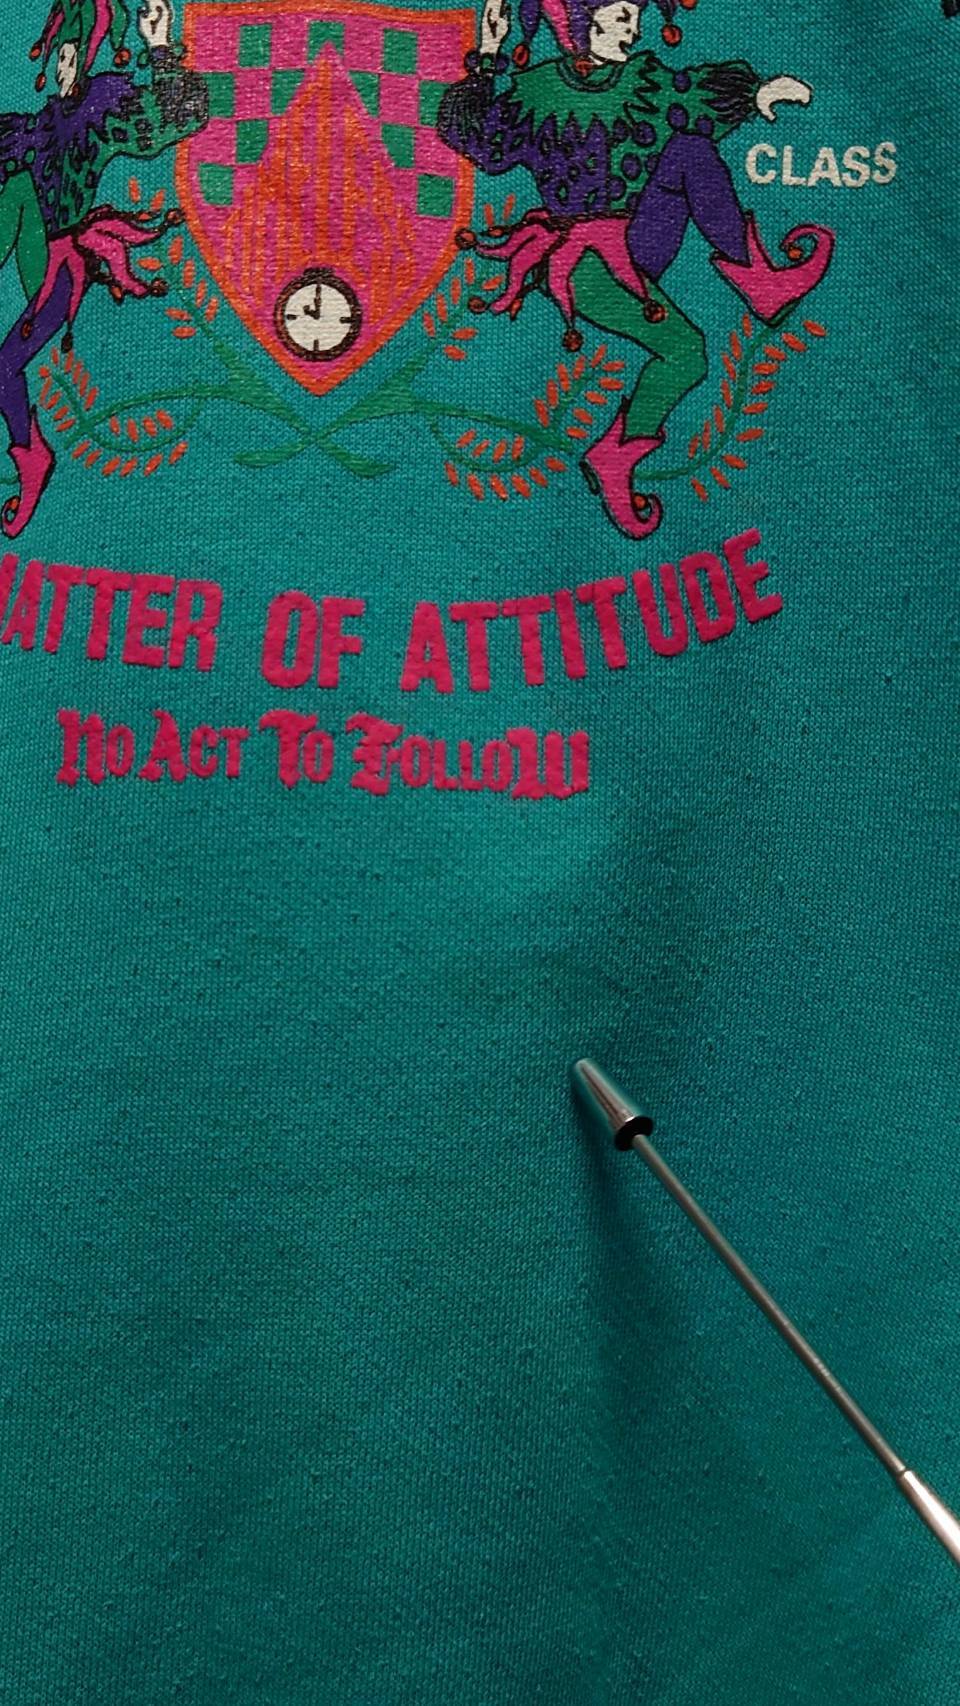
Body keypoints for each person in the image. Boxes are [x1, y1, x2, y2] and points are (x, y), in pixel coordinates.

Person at [438, 0, 835, 538]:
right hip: (586, 263)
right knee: (686, 353)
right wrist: (488, 55)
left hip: (640, 240)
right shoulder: (538, 91)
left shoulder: (644, 80)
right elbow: (481, 140)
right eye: (622, 16)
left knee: (689, 150)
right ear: (585, 24)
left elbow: (691, 97)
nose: (634, 27)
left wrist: (758, 93)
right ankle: (614, 457)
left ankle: (761, 281)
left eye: (635, 16)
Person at [0, 0, 208, 537]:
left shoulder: (98, 109)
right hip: (35, 247)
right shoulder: (38, 125)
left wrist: (160, 49)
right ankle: (31, 454)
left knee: (3, 368)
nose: (62, 68)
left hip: (63, 262)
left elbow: (178, 116)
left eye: (71, 55)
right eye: (59, 57)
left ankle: (32, 456)